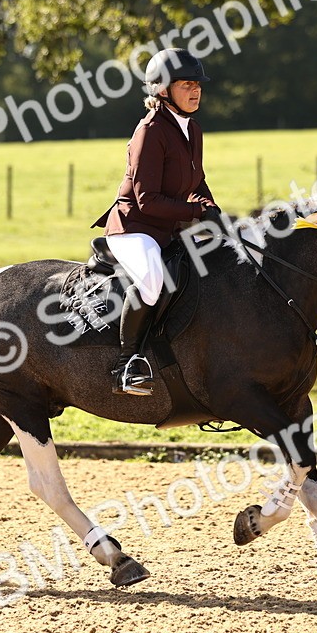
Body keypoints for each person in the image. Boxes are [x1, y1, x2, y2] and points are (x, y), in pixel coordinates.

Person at [92, 48, 222, 397]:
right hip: (134, 228)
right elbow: (147, 200)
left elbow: (197, 183)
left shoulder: (192, 129)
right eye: (186, 84)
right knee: (152, 281)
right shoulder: (150, 131)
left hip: (167, 227)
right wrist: (197, 213)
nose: (195, 91)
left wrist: (212, 207)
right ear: (162, 89)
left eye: (198, 84)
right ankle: (127, 363)